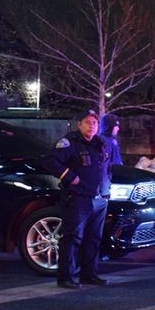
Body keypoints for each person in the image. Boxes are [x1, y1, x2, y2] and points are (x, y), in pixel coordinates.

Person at [42, 109, 114, 289]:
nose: (92, 126)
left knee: (93, 239)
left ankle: (88, 274)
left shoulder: (100, 144)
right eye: (88, 122)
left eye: (95, 123)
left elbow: (106, 167)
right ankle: (65, 277)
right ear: (80, 124)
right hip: (78, 198)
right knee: (72, 238)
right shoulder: (70, 143)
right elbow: (50, 160)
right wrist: (68, 176)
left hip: (99, 198)